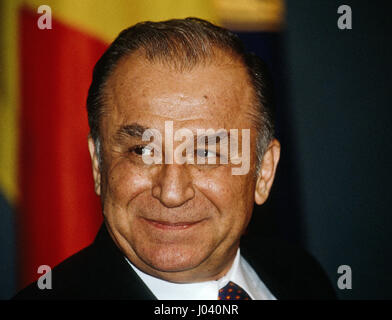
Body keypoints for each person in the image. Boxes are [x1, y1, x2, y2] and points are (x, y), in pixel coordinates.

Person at [14, 17, 336, 300]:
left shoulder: (301, 276)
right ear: (98, 164)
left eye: (206, 153)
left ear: (263, 171)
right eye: (142, 151)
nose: (171, 192)